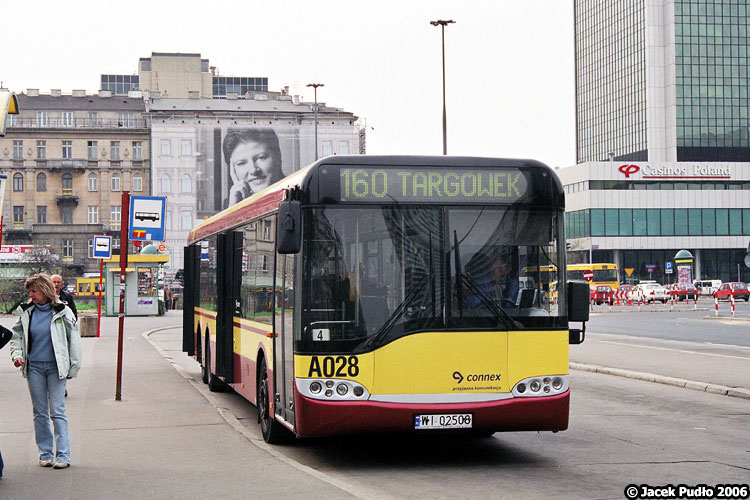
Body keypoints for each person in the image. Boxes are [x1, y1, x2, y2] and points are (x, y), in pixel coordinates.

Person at [9, 274, 81, 470]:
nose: (31, 295)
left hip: (55, 367)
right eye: (29, 291)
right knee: (39, 412)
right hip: (34, 368)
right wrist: (17, 355)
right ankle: (46, 454)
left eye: (34, 291)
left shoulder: (62, 311)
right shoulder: (26, 312)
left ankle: (63, 455)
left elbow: (73, 340)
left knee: (57, 411)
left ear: (45, 290)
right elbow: (16, 336)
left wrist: (73, 366)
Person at [222, 128, 284, 208]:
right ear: (233, 170)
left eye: (261, 157)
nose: (253, 170)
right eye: (241, 163)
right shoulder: (232, 203)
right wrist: (234, 210)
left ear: (278, 157)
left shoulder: (299, 196)